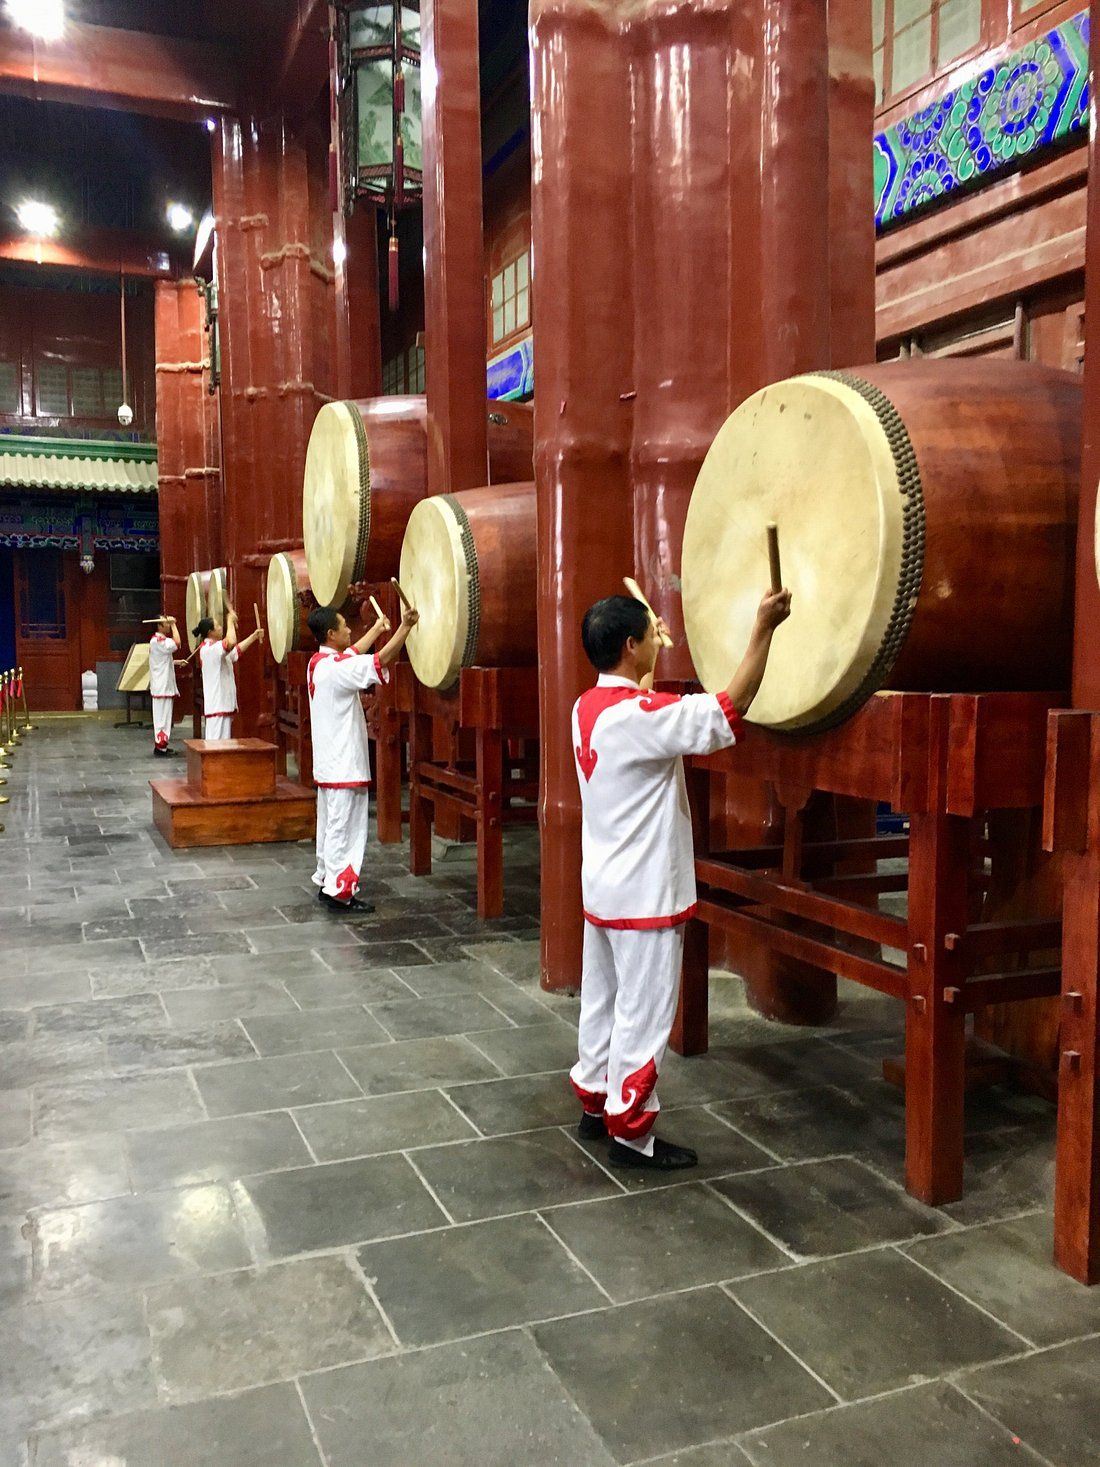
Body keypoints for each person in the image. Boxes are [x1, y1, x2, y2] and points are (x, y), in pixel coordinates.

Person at [569, 587, 791, 1171]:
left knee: (602, 1003)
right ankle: (632, 1132)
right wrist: (763, 627)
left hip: (603, 889)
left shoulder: (587, 708)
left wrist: (648, 660)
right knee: (643, 1015)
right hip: (643, 893)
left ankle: (595, 1103)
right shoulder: (638, 719)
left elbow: (643, 709)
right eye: (647, 634)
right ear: (630, 645)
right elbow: (726, 709)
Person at [307, 600, 419, 912]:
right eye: (345, 627)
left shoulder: (319, 663)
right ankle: (340, 893)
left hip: (330, 765)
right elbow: (378, 661)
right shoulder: (336, 670)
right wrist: (405, 627)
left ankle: (327, 880)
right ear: (331, 633)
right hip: (344, 764)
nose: (349, 630)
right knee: (345, 828)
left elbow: (351, 654)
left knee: (331, 826)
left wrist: (376, 628)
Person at [193, 602, 263, 741]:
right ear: (210, 632)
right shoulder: (208, 649)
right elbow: (230, 642)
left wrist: (253, 636)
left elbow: (235, 651)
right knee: (215, 747)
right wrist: (230, 620)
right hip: (217, 707)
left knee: (223, 747)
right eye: (218, 626)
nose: (221, 628)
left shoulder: (216, 649)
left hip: (222, 705)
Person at [148, 614, 183, 757]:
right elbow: (177, 643)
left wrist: (176, 662)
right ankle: (160, 746)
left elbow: (161, 661)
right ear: (159, 626)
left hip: (163, 685)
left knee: (164, 717)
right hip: (162, 686)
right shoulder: (158, 641)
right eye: (166, 623)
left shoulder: (158, 642)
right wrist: (175, 624)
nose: (168, 625)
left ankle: (162, 745)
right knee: (162, 718)